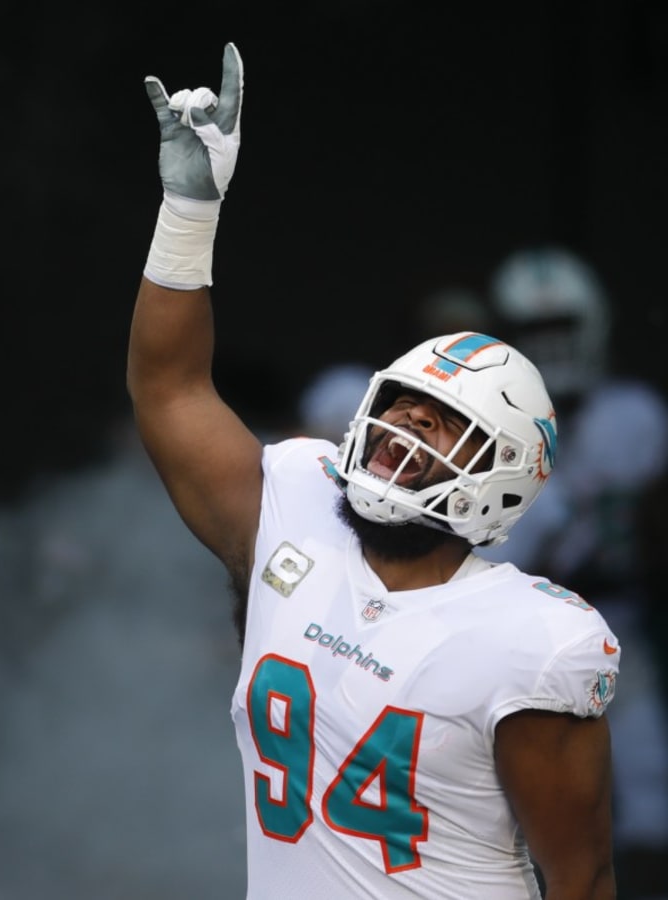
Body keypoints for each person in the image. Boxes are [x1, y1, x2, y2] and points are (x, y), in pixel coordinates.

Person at [127, 43, 620, 899]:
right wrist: (188, 209)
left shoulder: (532, 643)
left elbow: (581, 878)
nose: (409, 422)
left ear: (501, 475)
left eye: (450, 421)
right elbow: (169, 389)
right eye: (402, 401)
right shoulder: (293, 507)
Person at [481, 246, 668, 898]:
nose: (552, 347)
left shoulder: (636, 418)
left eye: (562, 328)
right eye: (537, 334)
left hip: (622, 619)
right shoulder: (487, 426)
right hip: (527, 632)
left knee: (647, 784)